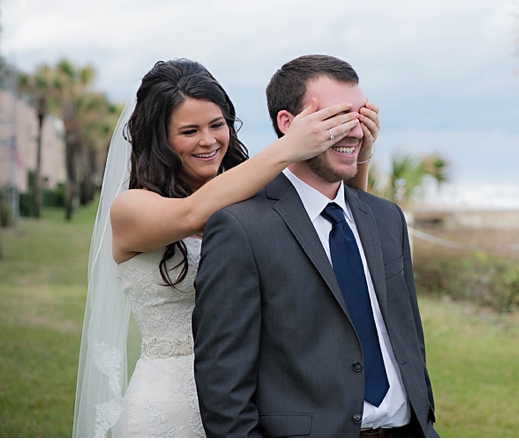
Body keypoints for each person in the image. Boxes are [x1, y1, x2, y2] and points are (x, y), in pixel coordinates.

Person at [72, 58, 380, 438]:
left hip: (252, 400)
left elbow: (338, 232)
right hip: (169, 407)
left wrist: (358, 152)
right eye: (189, 131)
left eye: (217, 125)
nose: (208, 140)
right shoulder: (131, 209)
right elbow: (194, 215)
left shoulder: (254, 196)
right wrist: (288, 147)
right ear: (160, 139)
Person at [193, 54, 438, 438]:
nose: (356, 132)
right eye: (337, 118)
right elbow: (223, 389)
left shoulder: (387, 218)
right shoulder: (241, 227)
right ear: (289, 124)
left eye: (361, 116)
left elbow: (409, 341)